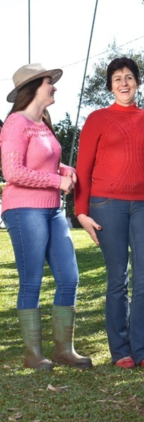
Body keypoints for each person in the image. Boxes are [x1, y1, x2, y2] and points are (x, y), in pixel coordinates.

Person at [74, 57, 144, 369]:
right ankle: (121, 352)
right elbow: (83, 169)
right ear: (110, 86)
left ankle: (143, 350)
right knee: (118, 280)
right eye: (117, 79)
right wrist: (81, 212)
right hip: (106, 205)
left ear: (137, 83)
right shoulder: (97, 119)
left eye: (129, 77)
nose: (124, 83)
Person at [1, 63, 92, 370]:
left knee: (70, 277)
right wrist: (56, 181)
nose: (53, 85)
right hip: (24, 209)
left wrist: (64, 171)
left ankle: (64, 350)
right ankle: (33, 355)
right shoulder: (15, 123)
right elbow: (12, 171)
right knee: (32, 281)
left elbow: (45, 164)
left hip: (52, 210)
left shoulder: (43, 122)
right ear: (34, 87)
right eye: (48, 82)